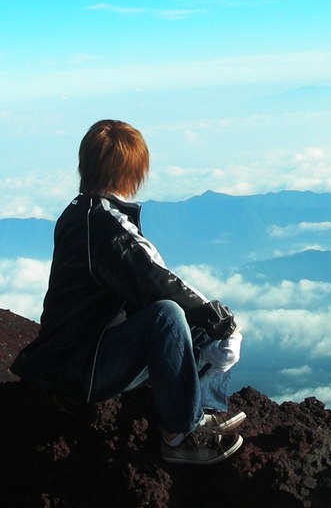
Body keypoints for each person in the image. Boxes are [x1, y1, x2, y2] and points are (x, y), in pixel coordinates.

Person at [11, 119, 245, 465]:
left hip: (79, 352)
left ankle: (203, 409)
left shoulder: (84, 214)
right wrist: (222, 325)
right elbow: (153, 279)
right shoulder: (104, 225)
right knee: (169, 317)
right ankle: (181, 435)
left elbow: (147, 277)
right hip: (80, 367)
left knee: (187, 322)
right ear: (130, 171)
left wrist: (210, 318)